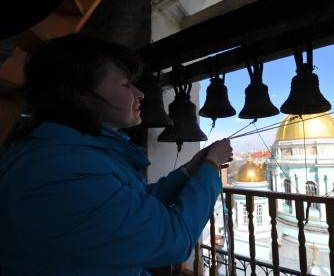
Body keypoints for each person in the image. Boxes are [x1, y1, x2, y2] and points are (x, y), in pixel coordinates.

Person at [0, 33, 233, 276]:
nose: (140, 93)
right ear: (80, 95)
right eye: (125, 84)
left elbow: (134, 201)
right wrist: (210, 166)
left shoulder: (73, 156)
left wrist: (191, 170)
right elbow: (174, 239)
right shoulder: (60, 171)